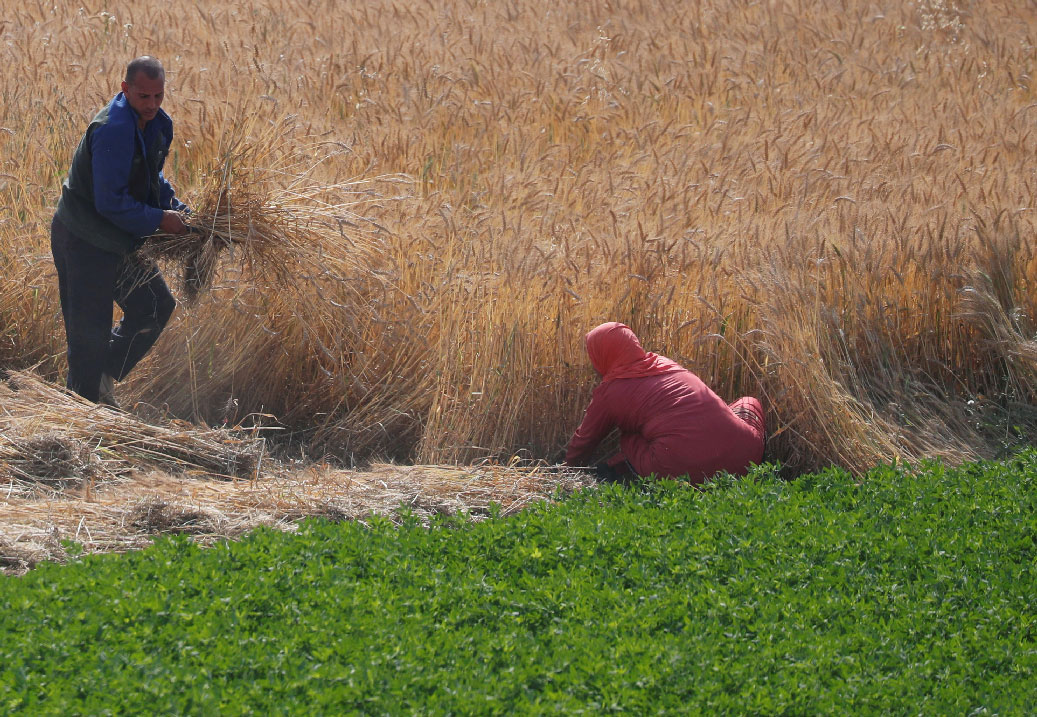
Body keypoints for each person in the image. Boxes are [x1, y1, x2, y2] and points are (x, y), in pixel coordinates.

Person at [51, 56, 190, 408]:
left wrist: (181, 211)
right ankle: (83, 416)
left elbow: (151, 178)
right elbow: (110, 202)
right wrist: (160, 220)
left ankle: (98, 377)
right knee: (88, 334)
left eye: (159, 96)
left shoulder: (158, 124)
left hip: (120, 237)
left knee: (156, 306)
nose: (152, 105)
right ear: (125, 89)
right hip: (84, 239)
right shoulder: (112, 129)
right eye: (144, 96)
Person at [564, 322, 765, 484]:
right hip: (745, 459)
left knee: (629, 437)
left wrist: (567, 470)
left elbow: (585, 439)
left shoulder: (610, 392)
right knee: (748, 402)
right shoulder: (664, 364)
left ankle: (616, 470)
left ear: (603, 354)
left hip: (683, 472)